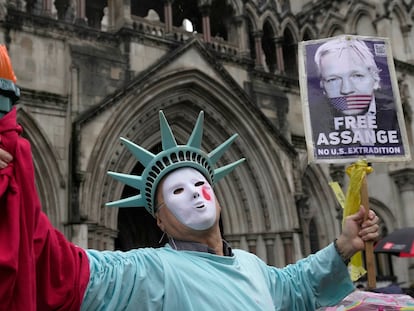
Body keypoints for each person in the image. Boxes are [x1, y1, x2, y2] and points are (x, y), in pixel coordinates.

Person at [0, 45, 380, 310]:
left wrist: (344, 245)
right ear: (160, 219)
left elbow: (298, 286)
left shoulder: (251, 266)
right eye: (178, 191)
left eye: (201, 185)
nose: (196, 194)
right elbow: (59, 265)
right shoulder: (148, 271)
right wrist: (11, 170)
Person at [308, 36, 404, 159]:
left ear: (375, 79)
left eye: (357, 76)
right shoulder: (318, 122)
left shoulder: (395, 114)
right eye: (333, 79)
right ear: (323, 86)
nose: (346, 89)